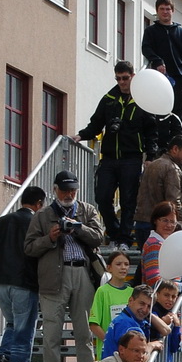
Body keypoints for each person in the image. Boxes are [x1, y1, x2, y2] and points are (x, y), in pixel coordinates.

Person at [25, 170, 105, 362]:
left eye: (73, 190)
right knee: (51, 333)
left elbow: (99, 237)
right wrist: (50, 237)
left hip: (83, 275)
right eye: (65, 189)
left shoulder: (87, 210)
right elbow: (29, 248)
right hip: (53, 278)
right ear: (55, 190)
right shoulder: (41, 216)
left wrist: (78, 228)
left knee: (84, 333)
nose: (69, 194)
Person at [78, 62, 157, 246]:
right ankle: (113, 233)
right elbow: (96, 123)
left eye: (125, 78)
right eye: (118, 78)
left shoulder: (142, 100)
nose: (122, 82)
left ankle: (125, 238)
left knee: (129, 200)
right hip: (109, 157)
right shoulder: (109, 98)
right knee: (102, 197)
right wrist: (80, 135)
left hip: (132, 158)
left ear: (133, 76)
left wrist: (150, 156)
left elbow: (151, 131)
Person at [0, 187, 45, 362]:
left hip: (0, 284)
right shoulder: (36, 223)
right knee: (23, 335)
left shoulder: (2, 221)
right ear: (39, 204)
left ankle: (4, 353)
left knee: (12, 324)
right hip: (25, 283)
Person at [141, 0, 182, 121]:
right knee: (160, 112)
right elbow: (146, 48)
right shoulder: (151, 31)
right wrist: (157, 60)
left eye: (168, 9)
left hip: (180, 77)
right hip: (160, 77)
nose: (165, 12)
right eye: (162, 9)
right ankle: (162, 139)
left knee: (177, 113)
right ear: (157, 11)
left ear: (173, 11)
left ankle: (177, 139)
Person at [132, 134, 182, 248]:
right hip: (157, 225)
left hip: (141, 221)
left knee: (147, 260)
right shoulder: (172, 168)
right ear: (175, 149)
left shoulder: (152, 165)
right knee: (156, 262)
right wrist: (179, 224)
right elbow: (173, 201)